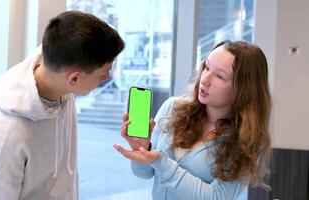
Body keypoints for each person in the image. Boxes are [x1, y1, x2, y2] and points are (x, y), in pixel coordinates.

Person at [0, 11, 124, 200]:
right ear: (74, 78)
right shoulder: (7, 134)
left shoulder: (62, 83)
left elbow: (69, 31)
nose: (107, 78)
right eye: (102, 74)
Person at [114, 40, 271, 199]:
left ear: (243, 90)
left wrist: (162, 162)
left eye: (219, 76)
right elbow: (145, 173)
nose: (205, 80)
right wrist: (142, 149)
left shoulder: (245, 139)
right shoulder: (172, 108)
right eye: (207, 67)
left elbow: (216, 197)